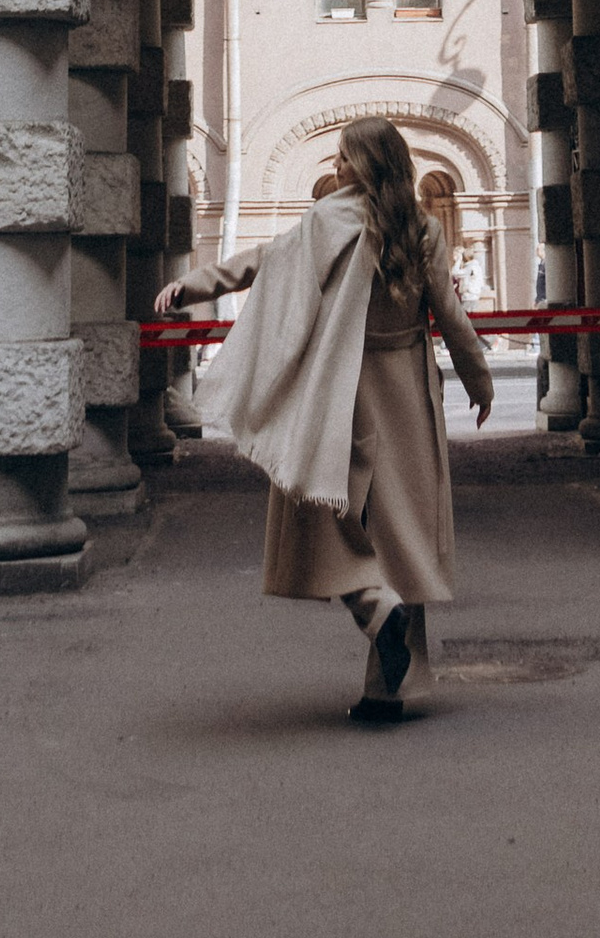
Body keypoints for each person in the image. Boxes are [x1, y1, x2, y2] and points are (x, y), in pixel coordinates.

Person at [154, 117, 495, 724]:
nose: (335, 167)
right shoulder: (423, 230)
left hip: (342, 390)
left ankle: (372, 610)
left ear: (361, 165)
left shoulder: (327, 221)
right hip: (409, 397)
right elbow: (450, 314)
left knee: (319, 513)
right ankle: (393, 688)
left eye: (343, 158)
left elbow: (266, 261)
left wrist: (193, 286)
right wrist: (479, 379)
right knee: (404, 539)